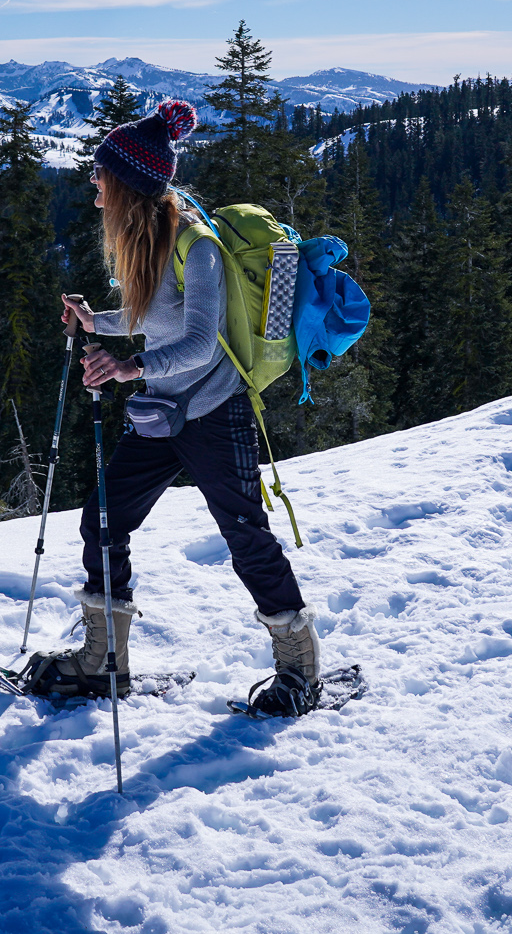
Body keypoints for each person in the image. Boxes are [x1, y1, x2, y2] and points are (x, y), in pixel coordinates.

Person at [23, 97, 320, 715]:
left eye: (101, 177)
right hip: (162, 410)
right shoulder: (147, 239)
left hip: (215, 412)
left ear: (129, 184)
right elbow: (153, 321)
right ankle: (104, 663)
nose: (95, 188)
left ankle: (300, 669)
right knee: (104, 518)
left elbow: (200, 340)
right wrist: (96, 322)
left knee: (245, 536)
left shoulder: (198, 247)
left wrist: (130, 367)